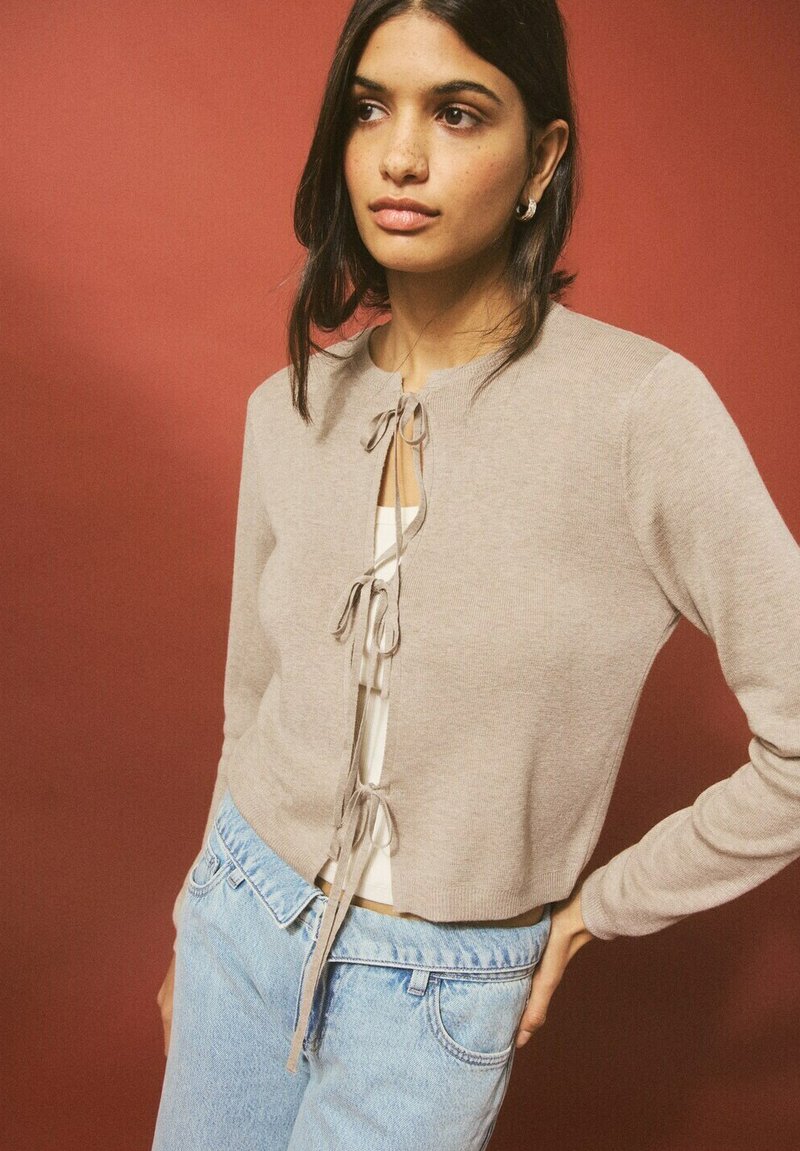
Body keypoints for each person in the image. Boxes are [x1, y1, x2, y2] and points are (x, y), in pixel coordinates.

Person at [152, 1, 800, 1148]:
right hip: (237, 918)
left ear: (542, 157)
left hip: (434, 991)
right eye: (369, 109)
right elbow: (250, 701)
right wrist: (191, 922)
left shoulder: (639, 411)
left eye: (456, 112)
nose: (399, 156)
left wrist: (595, 909)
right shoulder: (289, 405)